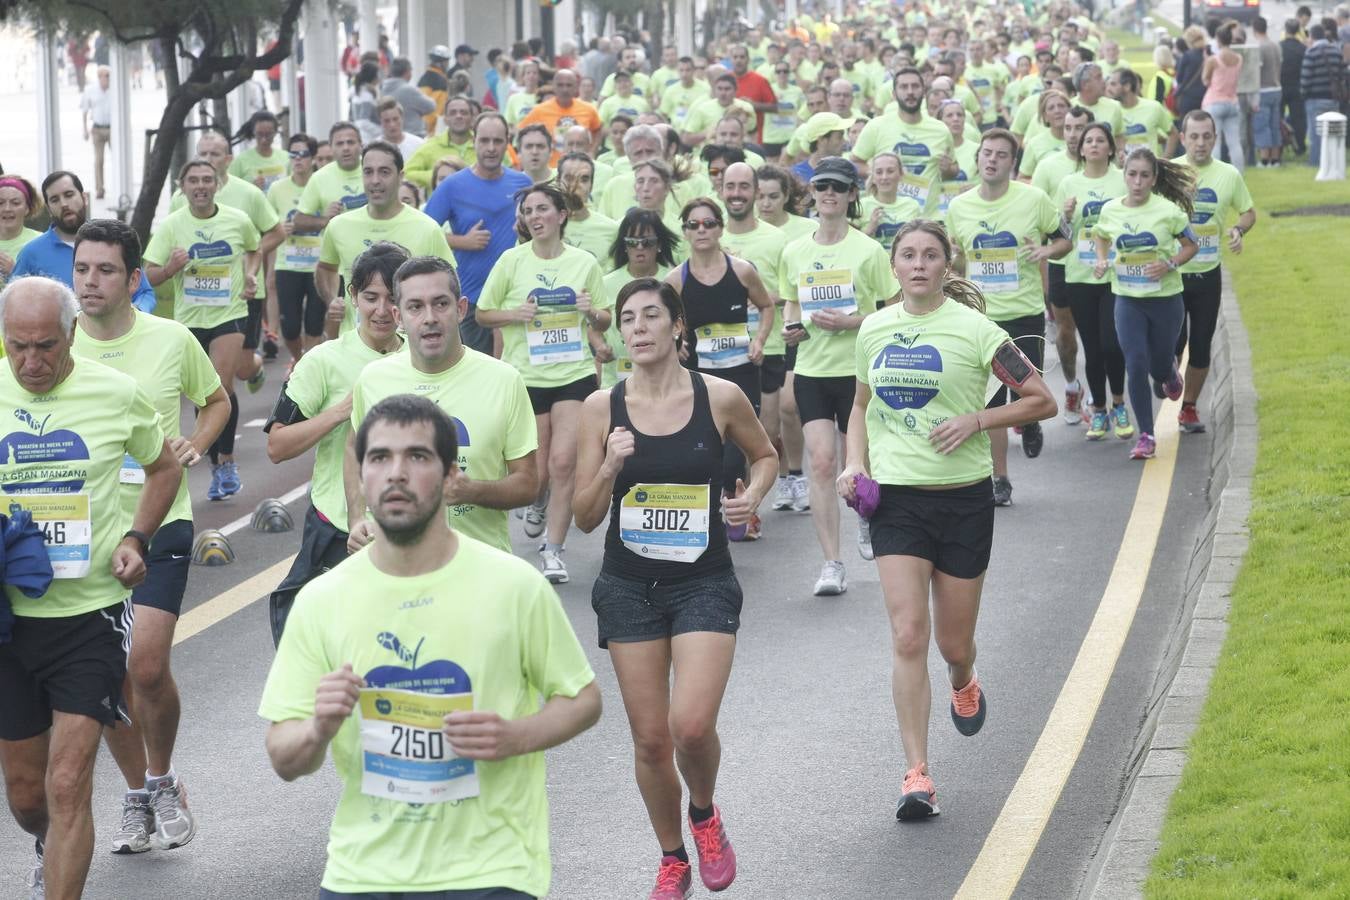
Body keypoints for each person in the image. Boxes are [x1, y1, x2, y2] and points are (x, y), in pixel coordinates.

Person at [260, 392, 599, 900]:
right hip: (363, 873)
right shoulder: (322, 600)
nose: (396, 473)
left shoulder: (512, 586)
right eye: (379, 458)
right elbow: (286, 759)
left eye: (416, 457)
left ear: (449, 477)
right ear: (362, 476)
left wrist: (516, 736)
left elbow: (583, 699)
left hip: (491, 871)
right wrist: (318, 728)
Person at [838, 219, 1055, 820]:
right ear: (894, 265)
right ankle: (917, 774)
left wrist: (977, 421)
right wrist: (855, 463)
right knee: (909, 634)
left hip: (962, 499)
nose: (918, 265)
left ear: (945, 264)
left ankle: (964, 677)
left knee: (952, 642)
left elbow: (1043, 400)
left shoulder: (980, 331)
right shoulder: (875, 328)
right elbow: (860, 406)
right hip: (898, 502)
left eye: (930, 255)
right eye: (907, 255)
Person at [573, 277, 776, 900]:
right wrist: (609, 465)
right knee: (651, 738)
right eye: (627, 318)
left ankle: (705, 814)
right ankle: (671, 857)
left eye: (650, 315)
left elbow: (765, 456)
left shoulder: (720, 396)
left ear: (677, 326)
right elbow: (582, 515)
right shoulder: (599, 409)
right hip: (629, 585)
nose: (637, 327)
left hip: (703, 581)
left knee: (689, 726)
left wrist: (752, 497)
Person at [0, 276, 180, 900]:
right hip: (8, 620)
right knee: (27, 797)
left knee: (67, 780)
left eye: (45, 346)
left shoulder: (116, 393)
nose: (31, 361)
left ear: (72, 333)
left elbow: (163, 466)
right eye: (17, 346)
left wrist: (136, 538)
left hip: (89, 617)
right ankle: (46, 842)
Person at [71, 219, 229, 856]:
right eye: (81, 269)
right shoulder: (57, 345)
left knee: (148, 664)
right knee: (111, 674)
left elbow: (215, 400)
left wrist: (199, 440)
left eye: (105, 270)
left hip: (161, 518)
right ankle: (139, 793)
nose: (90, 281)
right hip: (86, 530)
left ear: (134, 279)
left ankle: (161, 776)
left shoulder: (171, 338)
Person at [346, 253, 539, 566]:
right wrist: (357, 518)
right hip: (393, 568)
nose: (429, 317)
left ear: (461, 308)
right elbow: (355, 452)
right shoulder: (373, 379)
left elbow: (528, 484)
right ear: (398, 316)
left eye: (440, 303)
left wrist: (470, 490)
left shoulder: (504, 380)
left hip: (480, 570)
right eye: (415, 307)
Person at [266, 243, 408, 644]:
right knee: (326, 644)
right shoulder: (323, 361)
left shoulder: (424, 356)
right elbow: (277, 447)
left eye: (393, 299)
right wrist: (340, 412)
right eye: (370, 298)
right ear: (351, 298)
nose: (382, 310)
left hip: (411, 525)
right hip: (337, 524)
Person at [476, 183, 610, 583]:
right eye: (528, 212)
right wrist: (514, 314)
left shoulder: (584, 263)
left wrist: (592, 313)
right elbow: (483, 314)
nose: (534, 217)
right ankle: (537, 496)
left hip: (573, 373)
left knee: (564, 461)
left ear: (561, 215)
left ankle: (553, 551)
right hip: (526, 375)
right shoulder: (511, 261)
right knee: (538, 468)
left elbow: (604, 317)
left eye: (542, 210)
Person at [779, 157, 900, 594]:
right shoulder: (794, 251)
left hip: (857, 372)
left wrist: (854, 323)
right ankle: (832, 562)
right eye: (821, 185)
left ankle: (866, 515)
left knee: (858, 465)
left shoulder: (868, 251)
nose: (828, 192)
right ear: (812, 193)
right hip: (812, 369)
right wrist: (789, 331)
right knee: (823, 463)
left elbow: (893, 310)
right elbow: (791, 303)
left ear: (852, 196)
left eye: (838, 187)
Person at [945, 129, 1072, 506]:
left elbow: (1065, 240)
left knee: (1024, 389)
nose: (992, 159)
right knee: (992, 402)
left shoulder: (1034, 200)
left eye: (1001, 155)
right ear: (978, 158)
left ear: (1012, 163)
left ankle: (1030, 420)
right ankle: (1000, 477)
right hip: (980, 317)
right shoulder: (959, 207)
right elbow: (957, 255)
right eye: (987, 153)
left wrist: (1046, 251)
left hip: (1024, 312)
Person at [144, 159, 279, 501]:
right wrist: (172, 267)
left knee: (220, 385)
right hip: (189, 319)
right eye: (194, 181)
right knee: (200, 393)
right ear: (182, 186)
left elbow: (253, 249)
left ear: (217, 184)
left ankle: (225, 461)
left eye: (207, 180)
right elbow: (148, 275)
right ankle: (215, 461)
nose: (201, 185)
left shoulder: (237, 220)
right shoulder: (172, 225)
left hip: (229, 314)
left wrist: (251, 274)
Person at [665, 198, 775, 540]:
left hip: (741, 372)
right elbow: (666, 321)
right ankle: (719, 511)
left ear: (720, 228)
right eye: (694, 225)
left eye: (708, 223)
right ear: (684, 231)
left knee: (735, 454)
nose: (701, 231)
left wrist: (759, 341)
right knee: (706, 446)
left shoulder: (742, 270)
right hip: (700, 375)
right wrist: (677, 342)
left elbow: (767, 306)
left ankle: (739, 506)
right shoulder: (675, 279)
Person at [1091, 149, 1200, 460]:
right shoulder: (1111, 210)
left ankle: (1168, 373)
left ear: (1154, 179)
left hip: (1165, 301)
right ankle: (1146, 436)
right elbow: (1101, 237)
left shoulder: (1168, 211)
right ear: (1124, 176)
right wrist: (1101, 261)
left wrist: (1170, 263)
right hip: (1127, 299)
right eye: (1132, 174)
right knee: (1135, 363)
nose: (1137, 181)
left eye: (1144, 175)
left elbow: (1191, 245)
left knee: (1158, 365)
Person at [317, 141, 456, 336]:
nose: (375, 180)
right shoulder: (339, 225)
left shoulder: (427, 228)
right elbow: (326, 268)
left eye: (384, 172)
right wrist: (332, 299)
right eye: (368, 172)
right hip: (356, 344)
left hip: (410, 349)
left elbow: (450, 287)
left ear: (400, 177)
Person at [424, 111, 532, 355]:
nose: (491, 148)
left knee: (519, 376)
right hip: (472, 299)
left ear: (508, 143)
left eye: (497, 141)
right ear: (474, 142)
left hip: (517, 297)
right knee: (477, 375)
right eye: (484, 141)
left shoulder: (523, 183)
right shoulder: (453, 185)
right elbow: (423, 234)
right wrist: (461, 241)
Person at [1174, 111, 1256, 433]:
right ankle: (1167, 375)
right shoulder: (1170, 173)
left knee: (1202, 343)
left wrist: (1238, 230)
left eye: (1207, 136)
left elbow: (1249, 212)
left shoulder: (1228, 174)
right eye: (1193, 136)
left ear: (1215, 138)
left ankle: (1189, 407)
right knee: (1173, 341)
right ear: (1183, 139)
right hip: (1174, 274)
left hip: (1208, 274)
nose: (1200, 143)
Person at [1055, 122, 1133, 441]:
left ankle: (1119, 404)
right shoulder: (1069, 183)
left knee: (1113, 344)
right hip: (1080, 275)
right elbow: (1060, 232)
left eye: (1101, 140)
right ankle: (1099, 410)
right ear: (1081, 148)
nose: (1095, 145)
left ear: (1111, 148)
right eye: (1089, 140)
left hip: (1116, 274)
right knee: (1093, 348)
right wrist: (1066, 215)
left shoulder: (1122, 180)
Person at [12, 172, 156, 310]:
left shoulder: (114, 241)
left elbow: (144, 293)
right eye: (55, 200)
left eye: (69, 195)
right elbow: (12, 302)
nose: (64, 204)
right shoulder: (31, 254)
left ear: (84, 198)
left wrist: (136, 312)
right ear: (49, 209)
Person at [851, 67, 958, 215]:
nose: (910, 92)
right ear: (894, 95)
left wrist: (947, 170)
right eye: (903, 87)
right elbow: (855, 162)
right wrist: (879, 173)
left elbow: (953, 170)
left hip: (928, 217)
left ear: (924, 92)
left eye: (915, 86)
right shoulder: (876, 126)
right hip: (887, 216)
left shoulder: (940, 130)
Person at [599, 209, 679, 387]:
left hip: (665, 378)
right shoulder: (606, 283)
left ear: (659, 244)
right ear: (625, 246)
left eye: (647, 242)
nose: (640, 248)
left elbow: (683, 322)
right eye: (633, 242)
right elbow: (594, 328)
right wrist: (600, 346)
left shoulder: (674, 278)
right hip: (616, 379)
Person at [267, 133, 327, 362]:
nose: (298, 159)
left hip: (318, 265)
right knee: (290, 327)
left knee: (313, 324)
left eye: (303, 154)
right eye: (293, 154)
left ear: (312, 158)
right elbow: (268, 226)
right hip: (288, 264)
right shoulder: (277, 189)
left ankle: (305, 368)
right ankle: (298, 359)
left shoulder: (322, 184)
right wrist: (281, 228)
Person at [519, 68, 603, 166]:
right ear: (553, 87)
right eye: (560, 85)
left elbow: (598, 129)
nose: (565, 89)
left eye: (569, 85)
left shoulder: (588, 109)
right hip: (551, 169)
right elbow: (521, 131)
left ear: (576, 87)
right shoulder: (539, 110)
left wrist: (592, 151)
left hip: (580, 167)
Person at [405, 95, 479, 191]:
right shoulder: (431, 146)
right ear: (445, 119)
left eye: (463, 113)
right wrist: (437, 176)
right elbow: (406, 173)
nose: (458, 116)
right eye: (453, 113)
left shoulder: (482, 144)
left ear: (472, 118)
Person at [558, 152, 619, 262]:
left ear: (591, 186)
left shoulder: (611, 229)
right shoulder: (544, 224)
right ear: (558, 182)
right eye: (569, 178)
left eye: (584, 179)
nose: (576, 185)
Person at [1202, 22, 1245, 172]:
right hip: (1232, 102)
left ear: (1218, 40)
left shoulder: (1213, 59)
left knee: (1216, 141)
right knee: (1234, 142)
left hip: (1214, 102)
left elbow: (1205, 80)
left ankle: (1216, 173)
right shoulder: (1239, 59)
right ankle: (1239, 174)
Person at [859, 152, 923, 249]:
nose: (884, 177)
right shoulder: (861, 205)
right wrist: (869, 230)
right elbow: (850, 246)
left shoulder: (912, 205)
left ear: (901, 174)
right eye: (879, 172)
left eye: (890, 171)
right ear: (873, 178)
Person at [1301, 25, 1343, 168]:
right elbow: (1343, 74)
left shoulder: (1311, 52)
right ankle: (1333, 161)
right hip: (1333, 98)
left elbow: (1306, 78)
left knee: (1315, 133)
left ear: (1312, 36)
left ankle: (1315, 161)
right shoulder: (1336, 51)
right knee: (1332, 132)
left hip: (1315, 98)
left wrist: (1303, 94)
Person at [1250, 18, 1285, 168]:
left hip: (1263, 90)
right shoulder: (1276, 45)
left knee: (1262, 125)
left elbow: (1257, 71)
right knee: (1275, 125)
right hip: (1277, 88)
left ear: (1254, 29)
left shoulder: (1260, 47)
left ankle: (1264, 160)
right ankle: (1275, 159)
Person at [228, 111, 289, 191]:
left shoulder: (286, 157)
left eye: (268, 134)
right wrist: (251, 188)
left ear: (275, 133)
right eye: (259, 134)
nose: (264, 139)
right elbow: (229, 189)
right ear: (253, 132)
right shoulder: (241, 160)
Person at [0, 175, 41, 291]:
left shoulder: (39, 241)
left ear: (27, 208)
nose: (7, 208)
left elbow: (48, 292)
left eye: (15, 203)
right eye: (0, 203)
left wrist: (15, 272)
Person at [380, 56, 436, 137]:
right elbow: (431, 106)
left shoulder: (382, 89)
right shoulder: (409, 90)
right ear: (407, 72)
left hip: (389, 136)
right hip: (413, 134)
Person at [79, 66, 112, 199]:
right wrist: (85, 128)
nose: (108, 79)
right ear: (100, 77)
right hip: (97, 128)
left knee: (119, 158)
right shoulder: (90, 90)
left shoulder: (115, 88)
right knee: (99, 160)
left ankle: (121, 184)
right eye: (106, 76)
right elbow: (85, 110)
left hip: (113, 128)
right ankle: (100, 188)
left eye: (109, 76)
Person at [1280, 19, 1308, 156]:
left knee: (1278, 118)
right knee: (1298, 119)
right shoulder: (1303, 48)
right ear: (1298, 31)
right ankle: (1300, 146)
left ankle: (1279, 145)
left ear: (1285, 30)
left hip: (1281, 85)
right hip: (1297, 86)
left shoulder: (1280, 46)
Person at [1174, 27, 1210, 123]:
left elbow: (1179, 78)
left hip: (1188, 98)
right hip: (1206, 97)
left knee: (1187, 126)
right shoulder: (1209, 54)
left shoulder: (1187, 56)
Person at [417, 44, 452, 135]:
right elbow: (436, 109)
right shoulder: (439, 81)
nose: (447, 65)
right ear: (440, 63)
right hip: (432, 130)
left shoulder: (425, 77)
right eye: (446, 62)